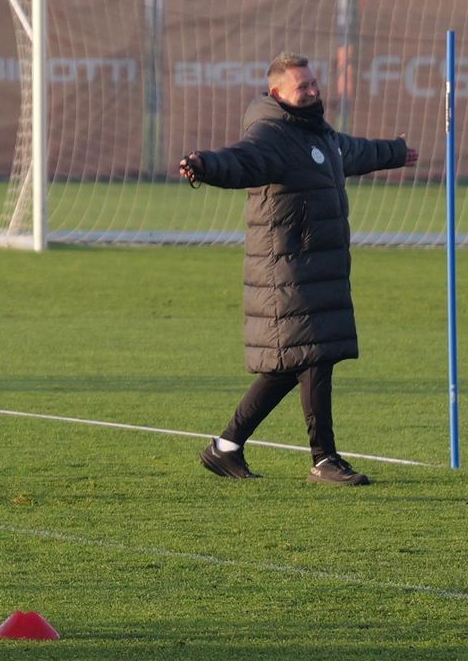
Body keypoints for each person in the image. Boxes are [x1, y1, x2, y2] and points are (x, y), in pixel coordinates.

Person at [179, 51, 418, 486]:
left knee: (291, 364)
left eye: (313, 83)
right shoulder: (271, 135)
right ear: (277, 93)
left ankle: (226, 447)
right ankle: (324, 459)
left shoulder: (317, 132)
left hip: (314, 267)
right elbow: (239, 161)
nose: (312, 91)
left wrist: (395, 152)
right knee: (315, 356)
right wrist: (204, 165)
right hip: (286, 271)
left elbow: (352, 151)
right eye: (302, 86)